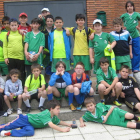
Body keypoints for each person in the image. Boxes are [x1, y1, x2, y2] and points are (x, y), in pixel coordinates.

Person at [0, 99, 72, 137]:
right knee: (7, 126)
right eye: (58, 109)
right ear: (51, 109)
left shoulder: (54, 116)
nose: (59, 111)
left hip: (31, 125)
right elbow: (52, 125)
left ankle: (9, 133)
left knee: (30, 132)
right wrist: (63, 130)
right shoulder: (46, 114)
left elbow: (59, 122)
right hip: (24, 119)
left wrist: (68, 124)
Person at [3, 18, 25, 82]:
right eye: (12, 25)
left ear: (18, 25)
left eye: (15, 25)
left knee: (21, 74)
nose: (14, 27)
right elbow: (5, 46)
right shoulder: (7, 35)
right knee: (11, 74)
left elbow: (25, 44)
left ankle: (21, 88)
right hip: (11, 57)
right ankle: (10, 88)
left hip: (20, 57)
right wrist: (6, 57)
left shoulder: (21, 34)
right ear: (9, 26)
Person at [120, 1, 140, 72]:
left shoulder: (137, 15)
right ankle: (129, 67)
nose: (129, 8)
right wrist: (122, 28)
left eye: (131, 6)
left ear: (133, 7)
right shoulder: (124, 16)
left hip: (136, 36)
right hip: (127, 37)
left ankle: (136, 67)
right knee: (128, 52)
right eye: (128, 6)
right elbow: (118, 22)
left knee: (136, 52)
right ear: (126, 8)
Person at [40, 15, 54, 87]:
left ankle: (52, 86)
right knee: (46, 71)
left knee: (53, 70)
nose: (49, 23)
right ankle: (46, 85)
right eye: (48, 21)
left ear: (53, 22)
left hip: (54, 54)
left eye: (51, 21)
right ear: (45, 22)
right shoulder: (42, 31)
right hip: (45, 55)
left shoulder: (55, 30)